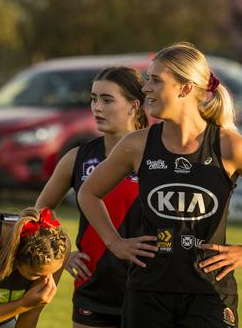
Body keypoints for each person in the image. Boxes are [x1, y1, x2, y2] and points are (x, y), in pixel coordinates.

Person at [78, 42, 242, 328]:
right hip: (147, 292)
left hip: (210, 293)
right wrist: (115, 242)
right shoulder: (136, 144)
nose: (146, 89)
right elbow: (88, 192)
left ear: (185, 89)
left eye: (155, 80)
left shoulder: (228, 146)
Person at [33, 66, 147, 328]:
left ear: (133, 106)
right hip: (94, 287)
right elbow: (39, 213)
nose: (97, 107)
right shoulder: (77, 158)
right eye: (94, 99)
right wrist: (64, 255)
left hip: (148, 286)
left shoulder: (156, 155)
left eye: (107, 100)